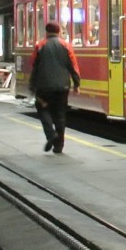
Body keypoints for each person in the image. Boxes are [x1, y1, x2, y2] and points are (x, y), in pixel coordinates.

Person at [29, 21, 81, 154]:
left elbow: (34, 65)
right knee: (60, 114)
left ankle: (51, 135)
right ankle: (59, 146)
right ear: (59, 32)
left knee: (43, 109)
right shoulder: (66, 45)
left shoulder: (40, 45)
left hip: (44, 87)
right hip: (62, 87)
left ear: (46, 32)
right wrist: (77, 84)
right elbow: (73, 66)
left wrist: (32, 85)